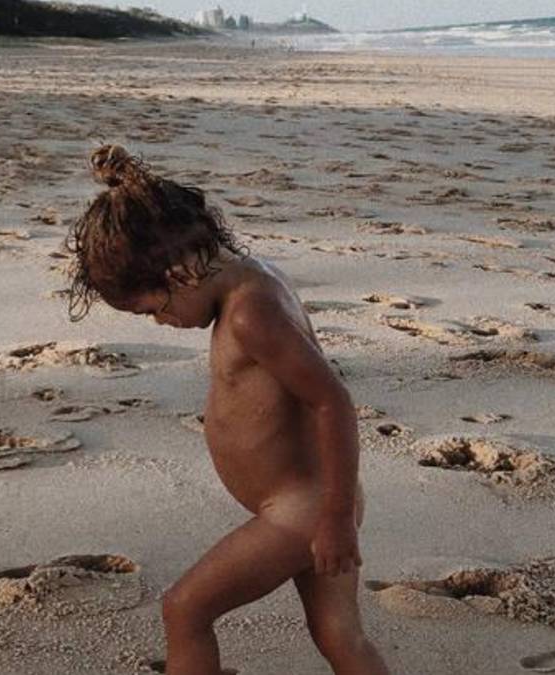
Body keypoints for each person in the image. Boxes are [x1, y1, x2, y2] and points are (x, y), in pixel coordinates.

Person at [66, 145, 391, 675]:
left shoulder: (250, 315)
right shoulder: (251, 280)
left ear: (178, 272)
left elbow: (331, 399)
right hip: (313, 502)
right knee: (339, 634)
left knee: (186, 609)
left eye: (153, 310)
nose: (160, 324)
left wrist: (334, 518)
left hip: (303, 511)